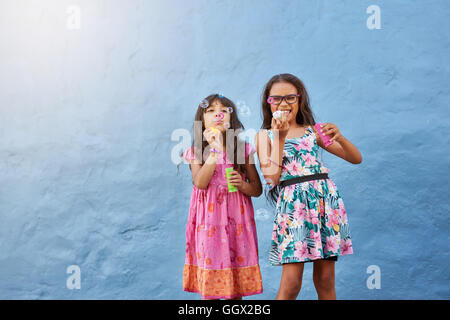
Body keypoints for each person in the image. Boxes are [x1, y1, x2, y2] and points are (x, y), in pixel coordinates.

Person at [254, 74, 362, 300]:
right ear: (268, 102)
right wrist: (279, 137)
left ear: (300, 100)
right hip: (294, 209)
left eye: (290, 97)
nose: (284, 104)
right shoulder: (265, 136)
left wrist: (340, 138)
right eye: (277, 99)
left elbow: (355, 158)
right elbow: (271, 178)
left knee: (325, 281)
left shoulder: (313, 131)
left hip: (325, 203)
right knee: (292, 283)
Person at [181, 93, 263, 300]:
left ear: (231, 119)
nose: (218, 114)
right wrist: (215, 151)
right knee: (210, 287)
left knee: (235, 287)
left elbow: (257, 189)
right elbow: (200, 182)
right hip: (209, 224)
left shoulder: (242, 150)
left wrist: (242, 184)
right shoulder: (197, 151)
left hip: (236, 221)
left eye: (223, 110)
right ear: (202, 120)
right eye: (210, 111)